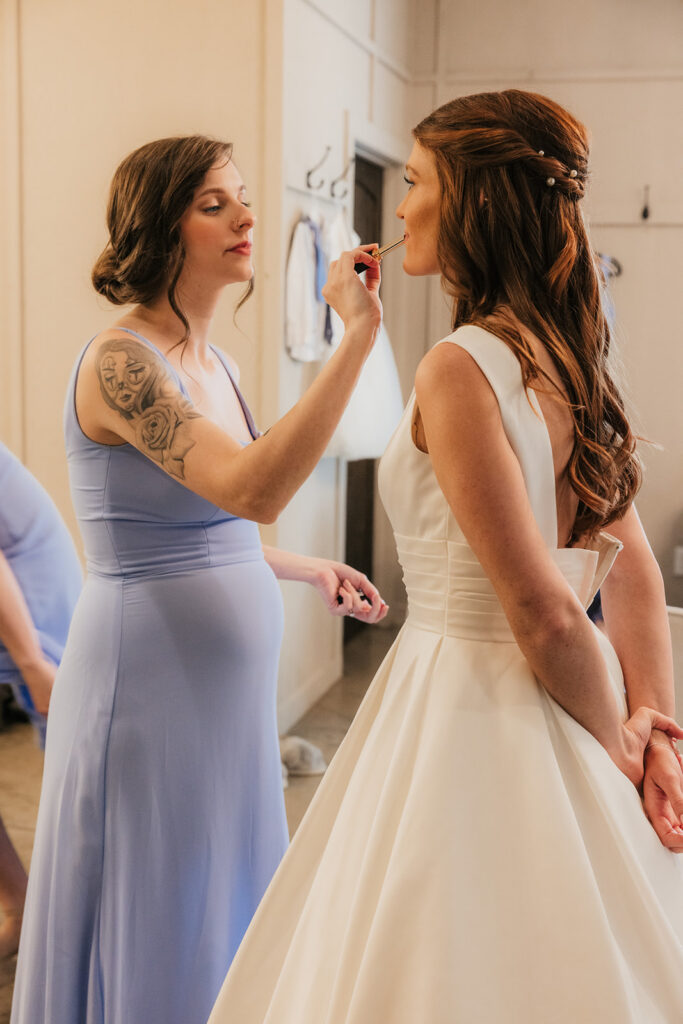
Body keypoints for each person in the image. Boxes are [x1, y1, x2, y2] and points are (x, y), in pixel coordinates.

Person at [207, 91, 683, 1024]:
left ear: (470, 198)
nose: (401, 207)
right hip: (549, 689)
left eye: (416, 182)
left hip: (467, 696)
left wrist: (621, 750)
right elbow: (630, 567)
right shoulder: (570, 351)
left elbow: (545, 611)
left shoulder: (458, 367)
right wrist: (655, 721)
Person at [11, 134, 388, 1024]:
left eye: (244, 199)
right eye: (214, 204)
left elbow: (210, 534)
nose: (247, 218)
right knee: (159, 904)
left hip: (222, 703)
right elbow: (253, 490)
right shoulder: (121, 360)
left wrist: (308, 569)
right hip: (146, 691)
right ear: (158, 228)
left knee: (221, 901)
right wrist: (355, 341)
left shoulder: (214, 363)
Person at [0, 442, 82, 961]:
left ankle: (81, 923)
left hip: (30, 594)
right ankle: (20, 903)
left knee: (78, 776)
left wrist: (32, 662)